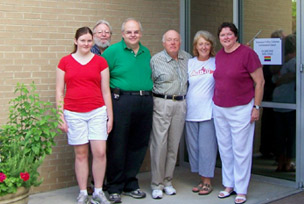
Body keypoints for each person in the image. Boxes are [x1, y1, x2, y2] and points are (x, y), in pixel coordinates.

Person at [56, 27, 113, 204]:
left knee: (100, 152)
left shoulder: (100, 62)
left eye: (89, 41)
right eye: (83, 40)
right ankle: (83, 192)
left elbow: (105, 91)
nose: (86, 44)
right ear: (75, 41)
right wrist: (60, 116)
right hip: (73, 113)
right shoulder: (65, 62)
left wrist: (110, 116)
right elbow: (59, 91)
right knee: (81, 154)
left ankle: (98, 191)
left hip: (97, 111)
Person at [102, 18, 153, 204]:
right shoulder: (112, 51)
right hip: (121, 100)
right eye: (129, 32)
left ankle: (131, 183)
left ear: (140, 33)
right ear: (123, 34)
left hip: (145, 100)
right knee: (118, 144)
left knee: (139, 145)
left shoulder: (146, 52)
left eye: (136, 32)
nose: (133, 35)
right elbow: (101, 79)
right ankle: (114, 186)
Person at [213, 22, 264, 204]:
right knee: (225, 149)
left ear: (235, 36)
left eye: (229, 34)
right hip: (219, 108)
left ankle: (241, 189)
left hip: (242, 108)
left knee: (241, 150)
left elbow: (260, 82)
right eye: (222, 35)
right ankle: (229, 185)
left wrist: (256, 107)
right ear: (219, 38)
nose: (226, 38)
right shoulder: (219, 55)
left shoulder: (248, 54)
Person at [150, 30, 191, 199]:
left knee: (174, 145)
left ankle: (167, 181)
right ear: (163, 43)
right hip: (162, 103)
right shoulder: (155, 60)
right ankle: (156, 184)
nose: (173, 43)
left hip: (181, 103)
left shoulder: (188, 59)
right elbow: (149, 81)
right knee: (160, 144)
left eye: (175, 40)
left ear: (180, 42)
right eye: (169, 40)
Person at [185, 30, 217, 196]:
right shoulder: (189, 63)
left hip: (208, 112)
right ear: (195, 47)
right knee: (194, 148)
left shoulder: (216, 62)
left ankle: (207, 182)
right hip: (190, 111)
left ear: (211, 46)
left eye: (207, 43)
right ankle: (201, 178)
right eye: (200, 44)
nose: (204, 47)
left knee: (207, 148)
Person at [88, 19, 112, 195]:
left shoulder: (114, 52)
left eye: (107, 32)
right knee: (92, 147)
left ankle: (106, 182)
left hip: (111, 103)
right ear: (93, 36)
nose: (103, 35)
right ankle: (93, 183)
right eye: (99, 32)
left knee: (108, 146)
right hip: (91, 105)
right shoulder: (87, 52)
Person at [272, 34, 296, 172]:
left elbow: (277, 79)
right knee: (286, 135)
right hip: (284, 102)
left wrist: (282, 78)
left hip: (284, 102)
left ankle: (283, 162)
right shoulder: (287, 62)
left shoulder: (285, 63)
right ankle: (285, 162)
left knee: (283, 134)